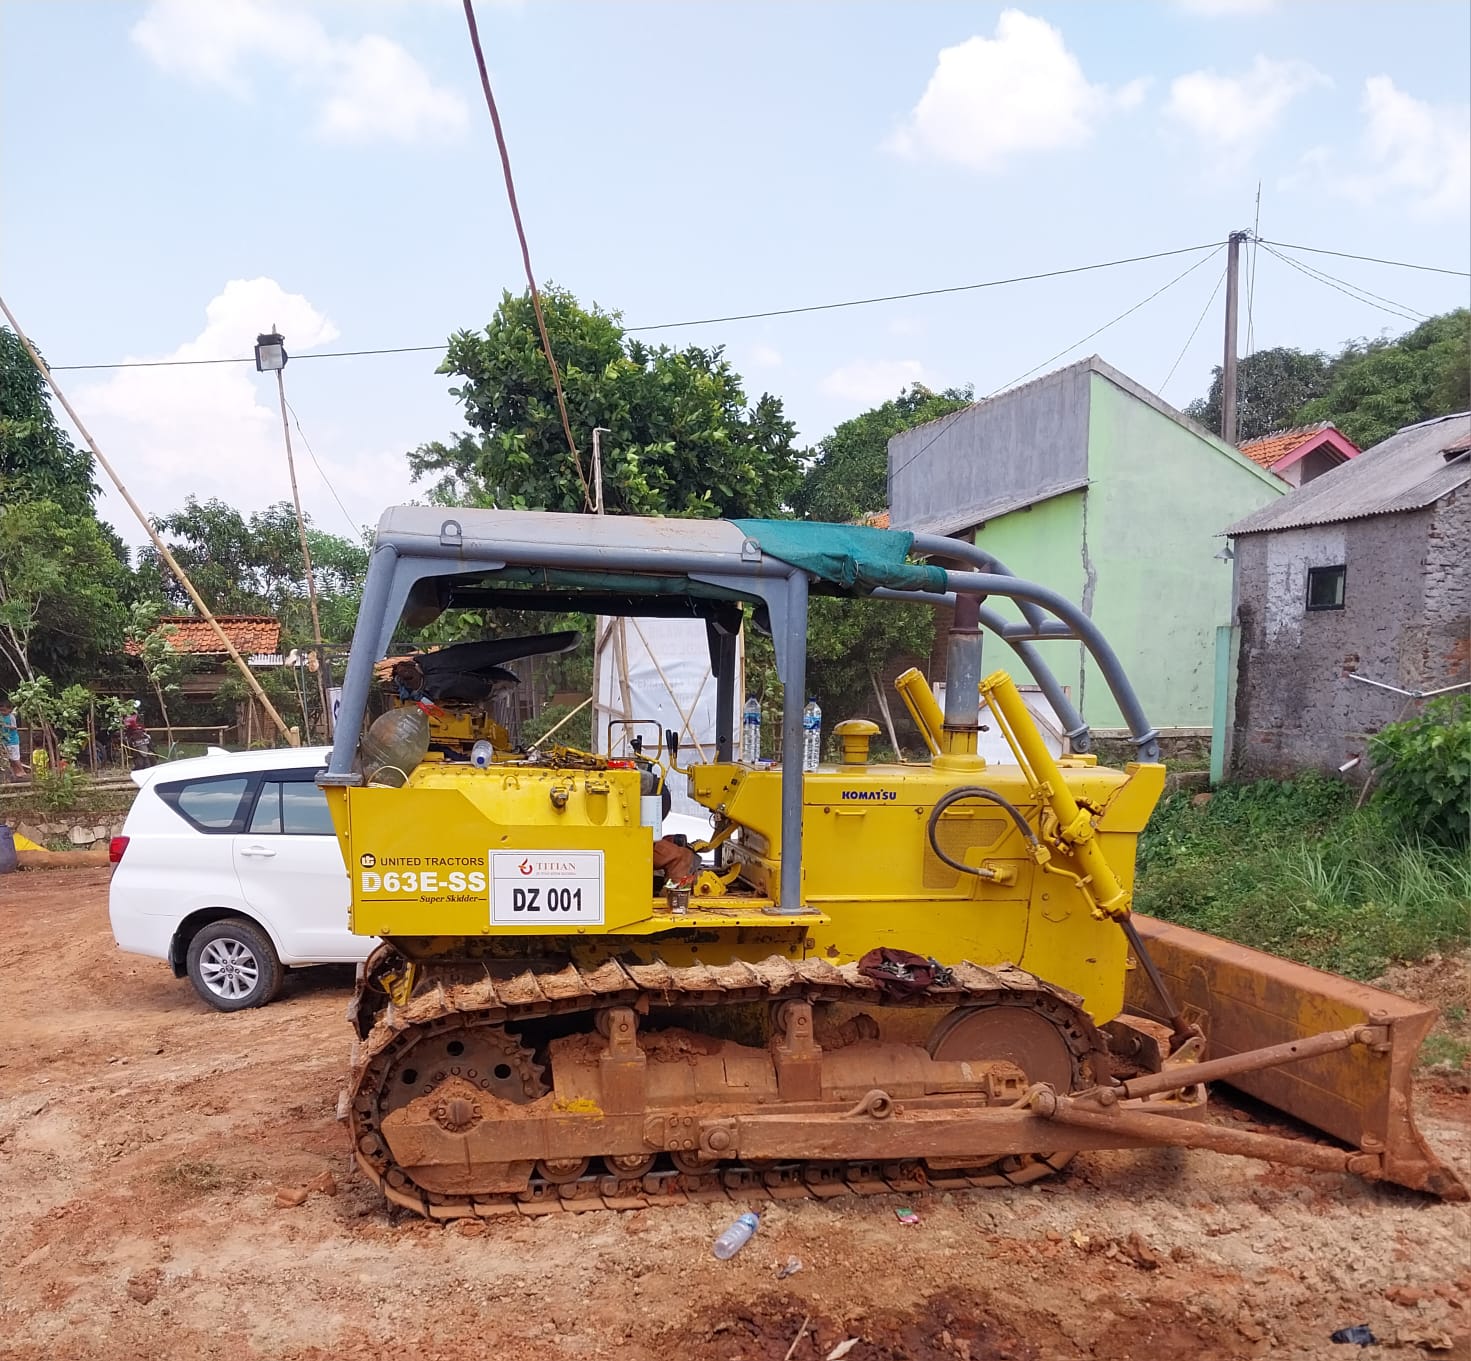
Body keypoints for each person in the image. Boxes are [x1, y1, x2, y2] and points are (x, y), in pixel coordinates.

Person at [0, 697, 25, 780]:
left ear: (10, 710)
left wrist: (6, 726)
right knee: (10, 758)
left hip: (12, 741)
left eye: (4, 710)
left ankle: (22, 771)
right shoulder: (1, 716)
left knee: (15, 758)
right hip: (5, 740)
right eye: (1, 710)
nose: (2, 712)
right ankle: (16, 772)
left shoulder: (11, 717)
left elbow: (14, 727)